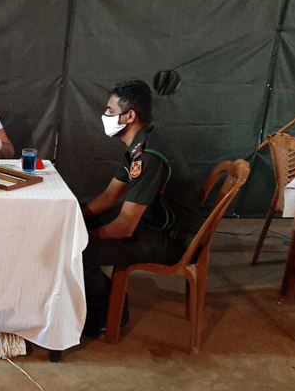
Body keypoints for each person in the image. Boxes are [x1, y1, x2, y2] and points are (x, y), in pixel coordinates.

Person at [80, 80, 204, 336]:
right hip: (152, 224)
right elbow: (109, 196)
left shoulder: (148, 156)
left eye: (111, 111)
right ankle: (96, 301)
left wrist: (80, 238)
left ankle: (107, 314)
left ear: (130, 116)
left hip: (172, 241)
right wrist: (74, 220)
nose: (105, 116)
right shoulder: (139, 146)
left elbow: (125, 227)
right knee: (81, 218)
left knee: (81, 252)